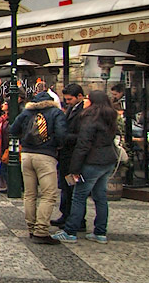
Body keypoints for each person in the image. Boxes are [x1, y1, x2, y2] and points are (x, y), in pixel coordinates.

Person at [50, 90, 119, 245]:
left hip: (92, 161)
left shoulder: (90, 118)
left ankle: (70, 231)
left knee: (79, 196)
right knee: (100, 197)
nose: (86, 101)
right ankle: (100, 232)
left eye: (88, 99)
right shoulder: (110, 116)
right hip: (107, 160)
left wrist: (75, 168)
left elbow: (83, 144)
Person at [8, 90, 67, 245]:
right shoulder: (56, 112)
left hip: (26, 155)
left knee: (29, 194)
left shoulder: (27, 112)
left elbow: (13, 129)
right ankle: (41, 230)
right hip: (46, 156)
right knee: (48, 194)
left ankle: (31, 226)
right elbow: (62, 135)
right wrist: (55, 144)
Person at [53, 84, 85, 228]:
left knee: (73, 188)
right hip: (66, 155)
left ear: (80, 96)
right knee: (66, 187)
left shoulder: (83, 111)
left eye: (70, 99)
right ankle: (65, 214)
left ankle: (77, 219)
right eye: (65, 99)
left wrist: (65, 137)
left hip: (74, 155)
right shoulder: (72, 108)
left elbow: (83, 136)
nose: (67, 102)